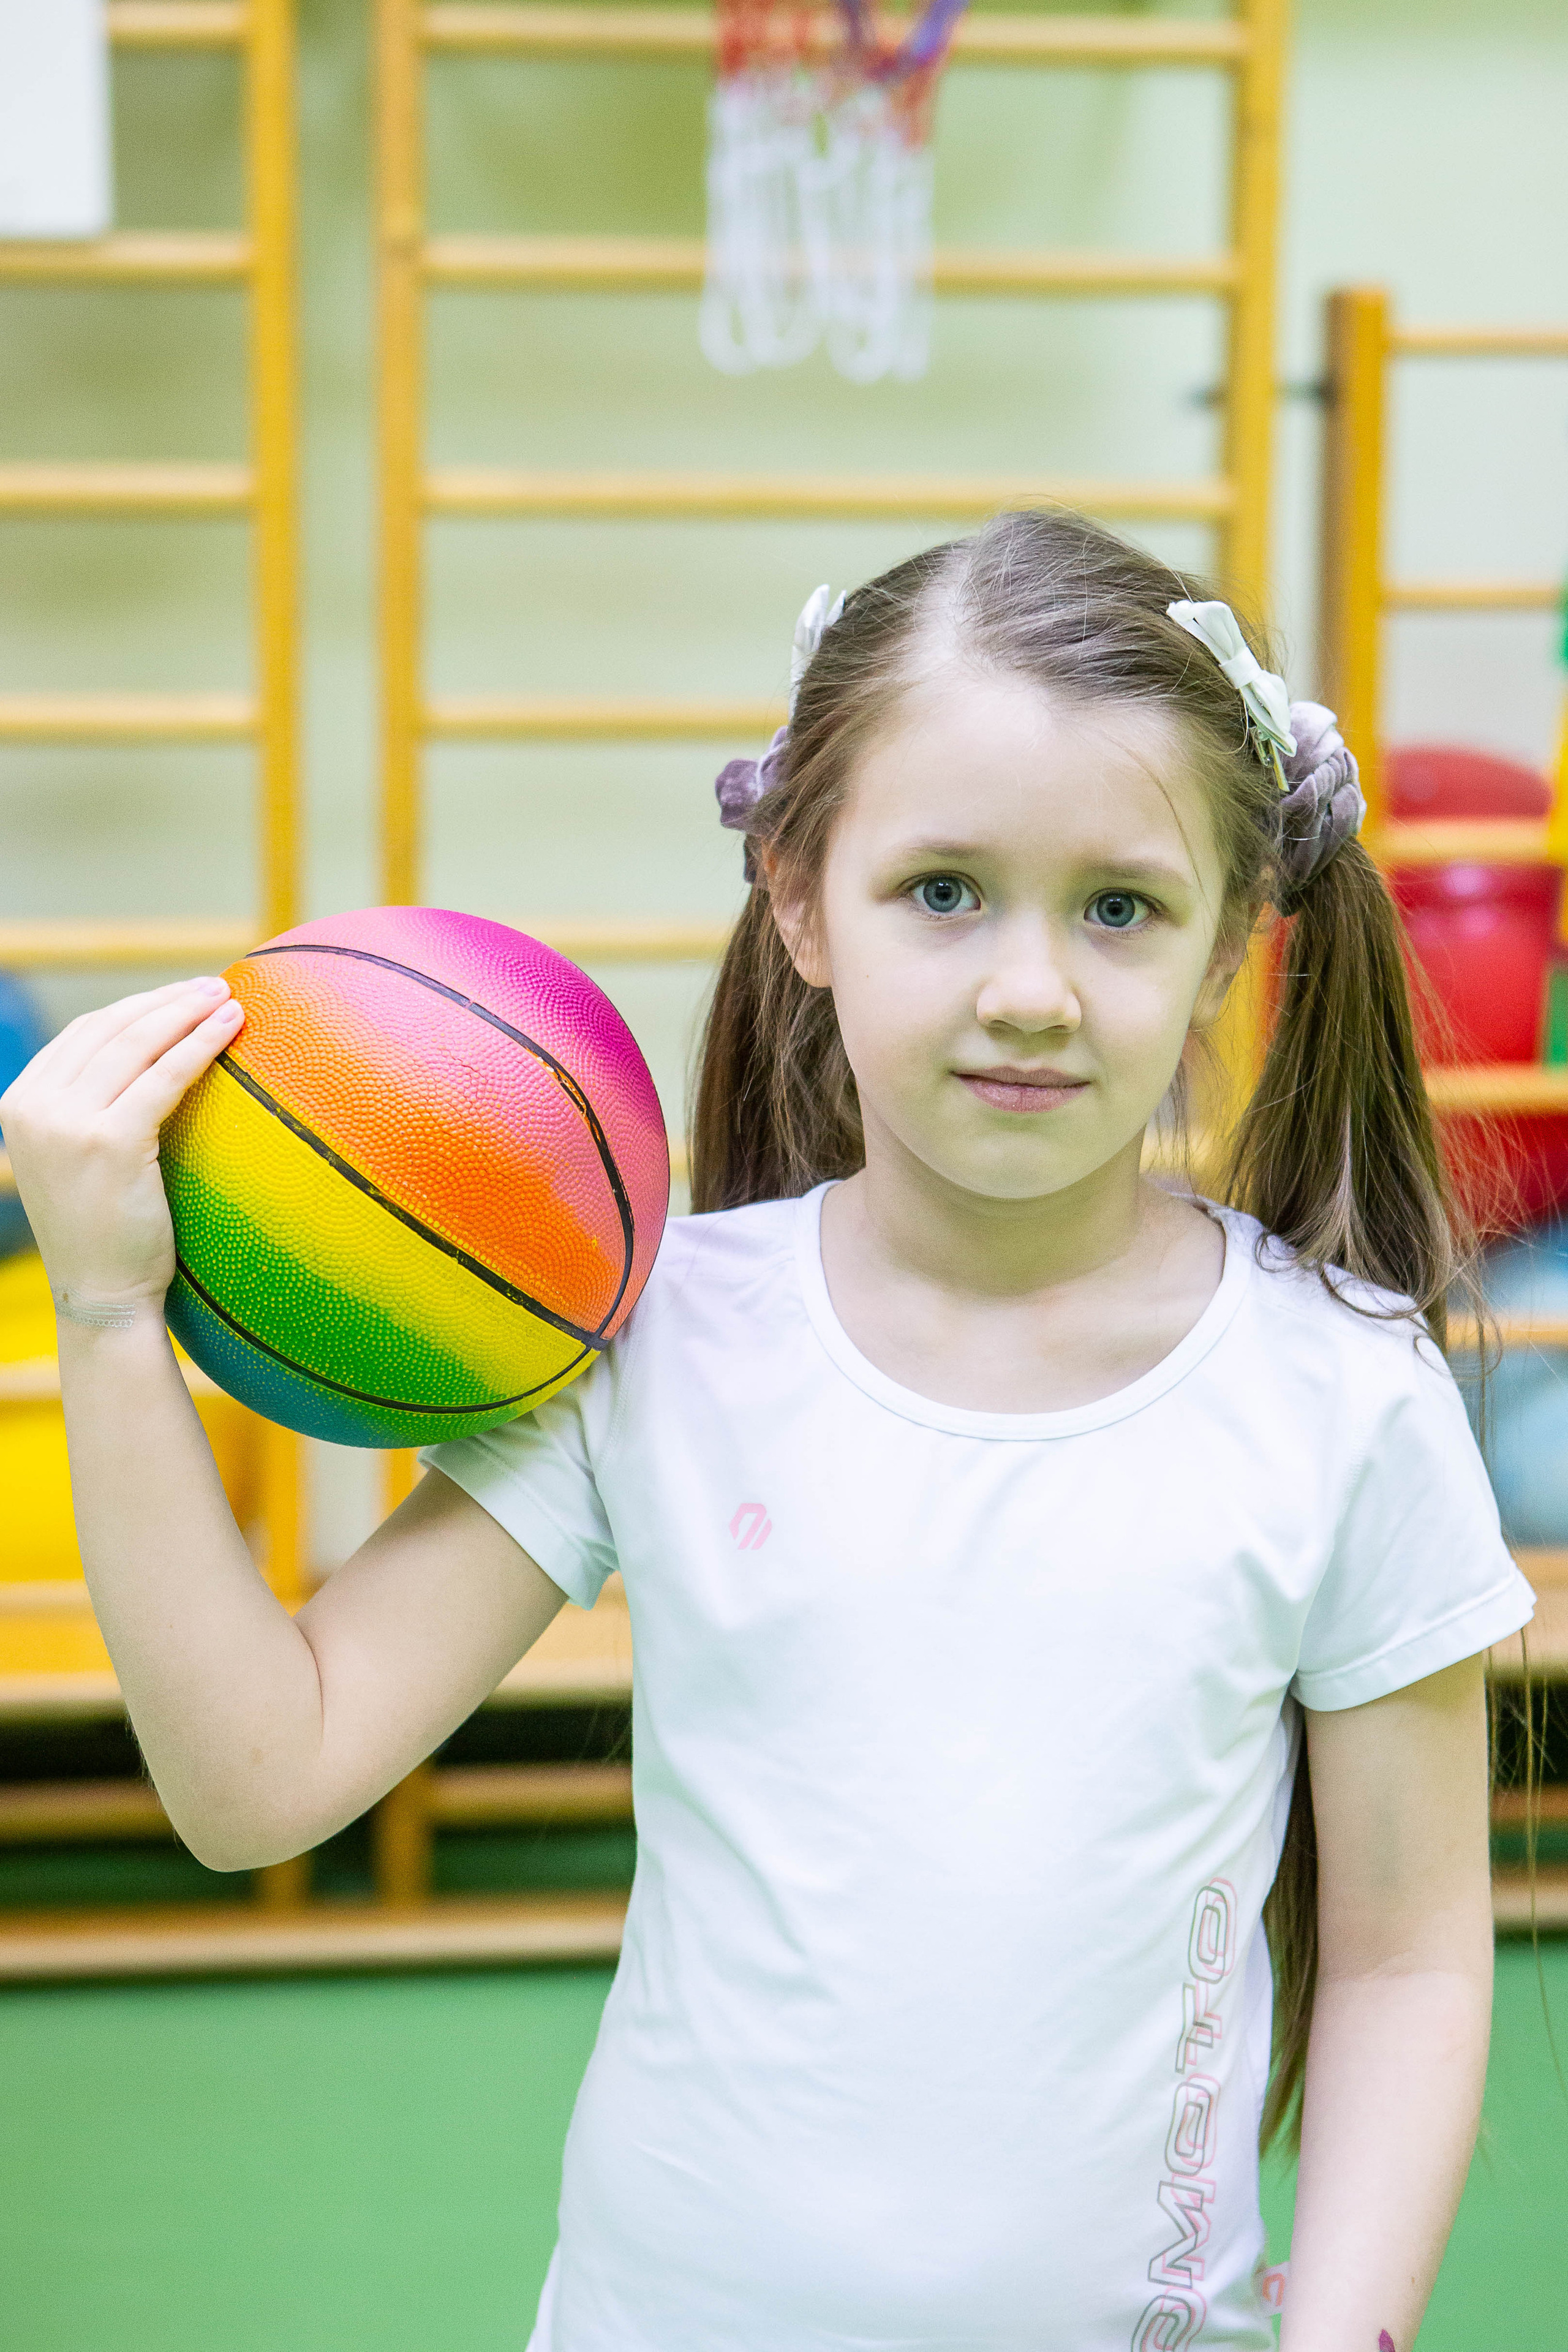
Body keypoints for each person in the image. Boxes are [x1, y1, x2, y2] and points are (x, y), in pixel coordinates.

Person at [1, 509, 1534, 2352]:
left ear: (1231, 949)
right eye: (943, 890)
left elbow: (1407, 1961)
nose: (1030, 986)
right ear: (800, 897)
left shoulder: (1343, 1396)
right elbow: (259, 1781)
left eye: (1119, 906)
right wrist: (104, 1312)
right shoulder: (654, 1347)